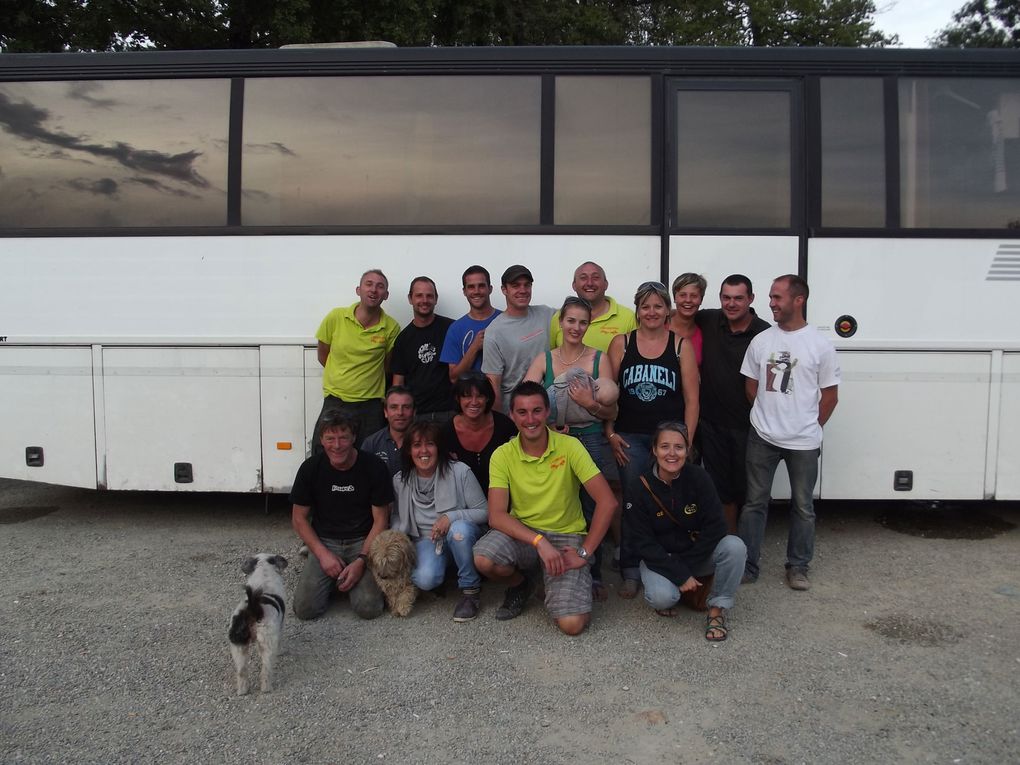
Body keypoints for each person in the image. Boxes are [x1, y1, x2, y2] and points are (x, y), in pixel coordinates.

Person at [473, 382, 618, 636]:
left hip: (565, 535)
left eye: (537, 411)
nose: (530, 419)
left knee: (572, 625)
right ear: (512, 415)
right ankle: (523, 583)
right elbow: (496, 515)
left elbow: (608, 502)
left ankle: (561, 586)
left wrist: (583, 553)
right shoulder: (502, 454)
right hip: (526, 535)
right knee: (484, 558)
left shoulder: (569, 446)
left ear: (548, 411)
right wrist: (539, 541)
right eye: (522, 412)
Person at [739, 274, 840, 591]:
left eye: (777, 297)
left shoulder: (820, 344)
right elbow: (751, 385)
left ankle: (798, 567)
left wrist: (807, 425)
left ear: (799, 300)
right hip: (762, 437)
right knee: (754, 503)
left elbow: (830, 396)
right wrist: (768, 415)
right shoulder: (762, 340)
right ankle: (747, 566)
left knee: (802, 506)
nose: (771, 304)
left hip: (804, 442)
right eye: (770, 297)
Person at [607, 280, 699, 599]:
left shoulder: (680, 345)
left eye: (658, 305)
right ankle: (630, 568)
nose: (651, 312)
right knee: (633, 502)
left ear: (668, 310)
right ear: (637, 310)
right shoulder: (622, 343)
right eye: (645, 306)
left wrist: (685, 444)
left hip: (670, 440)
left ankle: (666, 563)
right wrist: (610, 433)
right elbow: (607, 394)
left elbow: (692, 400)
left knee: (669, 499)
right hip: (630, 436)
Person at [524, 296, 619, 600]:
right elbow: (527, 400)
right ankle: (552, 571)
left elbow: (612, 412)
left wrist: (590, 404)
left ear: (588, 325)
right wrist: (548, 426)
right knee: (559, 505)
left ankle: (592, 573)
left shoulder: (598, 359)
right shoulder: (545, 360)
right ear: (561, 323)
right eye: (571, 321)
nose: (576, 327)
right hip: (555, 440)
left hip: (591, 439)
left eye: (582, 322)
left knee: (593, 507)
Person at [628, 421, 747, 641]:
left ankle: (716, 611)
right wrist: (678, 572)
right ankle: (677, 591)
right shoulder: (639, 486)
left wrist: (685, 569)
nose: (671, 454)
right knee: (662, 598)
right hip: (659, 559)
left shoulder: (699, 478)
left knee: (735, 547)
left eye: (679, 447)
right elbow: (641, 542)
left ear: (687, 451)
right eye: (664, 446)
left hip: (695, 554)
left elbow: (717, 526)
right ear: (654, 450)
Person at [290, 411, 392, 621]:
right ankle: (329, 573)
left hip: (363, 541)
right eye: (330, 438)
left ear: (354, 437)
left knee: (369, 609)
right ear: (321, 440)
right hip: (325, 541)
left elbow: (381, 519)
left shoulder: (374, 467)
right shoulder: (310, 468)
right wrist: (322, 554)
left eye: (343, 437)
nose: (337, 445)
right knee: (305, 610)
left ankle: (344, 575)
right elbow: (298, 519)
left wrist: (362, 561)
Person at [391, 421, 488, 622]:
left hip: (463, 537)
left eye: (430, 444)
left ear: (439, 447)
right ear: (409, 450)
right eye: (417, 445)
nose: (423, 451)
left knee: (458, 531)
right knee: (425, 579)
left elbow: (485, 512)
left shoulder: (460, 471)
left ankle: (470, 591)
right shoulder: (401, 480)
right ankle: (448, 570)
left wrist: (450, 517)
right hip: (427, 541)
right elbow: (397, 520)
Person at [695, 275, 771, 532]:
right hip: (712, 424)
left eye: (738, 298)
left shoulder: (765, 333)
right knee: (720, 491)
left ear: (751, 299)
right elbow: (677, 314)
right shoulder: (708, 320)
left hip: (749, 426)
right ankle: (730, 543)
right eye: (726, 297)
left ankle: (747, 550)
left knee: (748, 492)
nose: (731, 303)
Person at [314, 269, 400, 447]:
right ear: (358, 290)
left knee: (369, 458)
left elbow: (388, 366)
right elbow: (323, 356)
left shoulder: (391, 327)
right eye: (368, 284)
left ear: (386, 295)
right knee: (327, 454)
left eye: (380, 286)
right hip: (336, 401)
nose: (373, 290)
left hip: (371, 406)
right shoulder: (336, 317)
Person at [482, 265, 555, 413]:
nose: (523, 290)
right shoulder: (494, 332)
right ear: (504, 290)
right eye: (516, 286)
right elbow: (493, 384)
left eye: (527, 285)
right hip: (516, 413)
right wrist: (501, 424)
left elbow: (577, 315)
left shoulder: (547, 314)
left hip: (551, 408)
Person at [440, 372, 518, 492]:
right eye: (467, 396)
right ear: (458, 398)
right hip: (463, 506)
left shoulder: (505, 426)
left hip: (504, 499)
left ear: (487, 398)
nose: (474, 402)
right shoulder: (445, 433)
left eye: (480, 396)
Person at [391, 276, 455, 422]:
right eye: (419, 295)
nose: (424, 300)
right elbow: (398, 383)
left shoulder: (451, 329)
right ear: (410, 298)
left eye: (429, 296)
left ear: (436, 299)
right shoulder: (403, 339)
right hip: (417, 416)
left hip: (450, 413)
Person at [548, 261, 636, 352]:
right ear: (574, 285)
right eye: (583, 278)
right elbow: (552, 356)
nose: (589, 283)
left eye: (595, 278)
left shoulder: (628, 317)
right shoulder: (560, 317)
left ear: (606, 284)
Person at [440, 265, 502, 381]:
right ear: (464, 291)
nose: (476, 291)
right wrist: (474, 347)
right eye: (471, 287)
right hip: (472, 398)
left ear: (490, 288)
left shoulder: (505, 321)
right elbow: (454, 378)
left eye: (481, 286)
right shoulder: (456, 329)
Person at [361, 386, 416, 478]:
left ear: (414, 412)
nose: (400, 413)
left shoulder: (424, 443)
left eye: (406, 407)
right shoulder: (371, 444)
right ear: (385, 412)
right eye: (394, 407)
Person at [669, 272, 706, 367]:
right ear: (674, 298)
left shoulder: (705, 333)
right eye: (682, 295)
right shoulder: (660, 327)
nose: (688, 300)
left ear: (701, 299)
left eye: (694, 296)